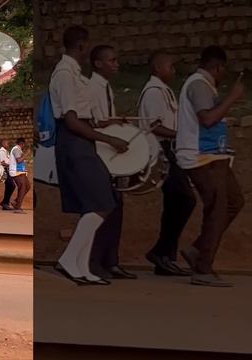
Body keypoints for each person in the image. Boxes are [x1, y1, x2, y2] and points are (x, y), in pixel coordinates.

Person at [49, 26, 129, 285]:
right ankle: (69, 260)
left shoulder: (74, 74)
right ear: (82, 46)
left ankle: (80, 266)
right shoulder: (64, 74)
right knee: (102, 203)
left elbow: (83, 117)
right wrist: (108, 139)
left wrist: (107, 125)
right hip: (74, 142)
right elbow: (72, 121)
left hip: (81, 140)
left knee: (97, 205)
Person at [175, 46, 245, 287]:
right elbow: (207, 119)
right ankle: (203, 268)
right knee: (217, 208)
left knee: (235, 201)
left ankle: (197, 250)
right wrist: (233, 97)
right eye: (223, 69)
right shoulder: (198, 85)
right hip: (200, 157)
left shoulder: (205, 85)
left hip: (214, 156)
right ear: (217, 67)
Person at [138, 51, 194, 276]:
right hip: (161, 151)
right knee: (185, 199)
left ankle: (165, 256)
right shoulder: (153, 92)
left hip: (170, 150)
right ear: (158, 68)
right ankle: (161, 252)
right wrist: (181, 135)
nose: (173, 70)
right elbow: (154, 126)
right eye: (170, 66)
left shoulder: (163, 91)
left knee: (176, 202)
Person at [87, 45, 136, 280]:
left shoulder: (105, 87)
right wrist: (110, 127)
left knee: (117, 207)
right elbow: (91, 124)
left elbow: (103, 120)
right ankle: (93, 261)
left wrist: (116, 120)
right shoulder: (91, 88)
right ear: (98, 63)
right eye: (112, 60)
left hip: (112, 155)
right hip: (100, 154)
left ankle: (111, 261)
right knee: (102, 207)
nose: (116, 64)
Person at [9, 138, 30, 214]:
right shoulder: (16, 149)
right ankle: (18, 208)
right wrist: (26, 154)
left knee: (27, 187)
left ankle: (15, 202)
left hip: (21, 172)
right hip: (16, 172)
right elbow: (19, 160)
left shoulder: (18, 150)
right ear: (22, 144)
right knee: (22, 188)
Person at [0, 139, 16, 210]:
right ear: (3, 143)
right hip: (4, 171)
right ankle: (4, 202)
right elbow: (3, 163)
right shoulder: (2, 151)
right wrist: (11, 165)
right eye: (7, 143)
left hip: (7, 170)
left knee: (9, 186)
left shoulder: (6, 152)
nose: (8, 145)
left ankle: (5, 203)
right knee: (11, 185)